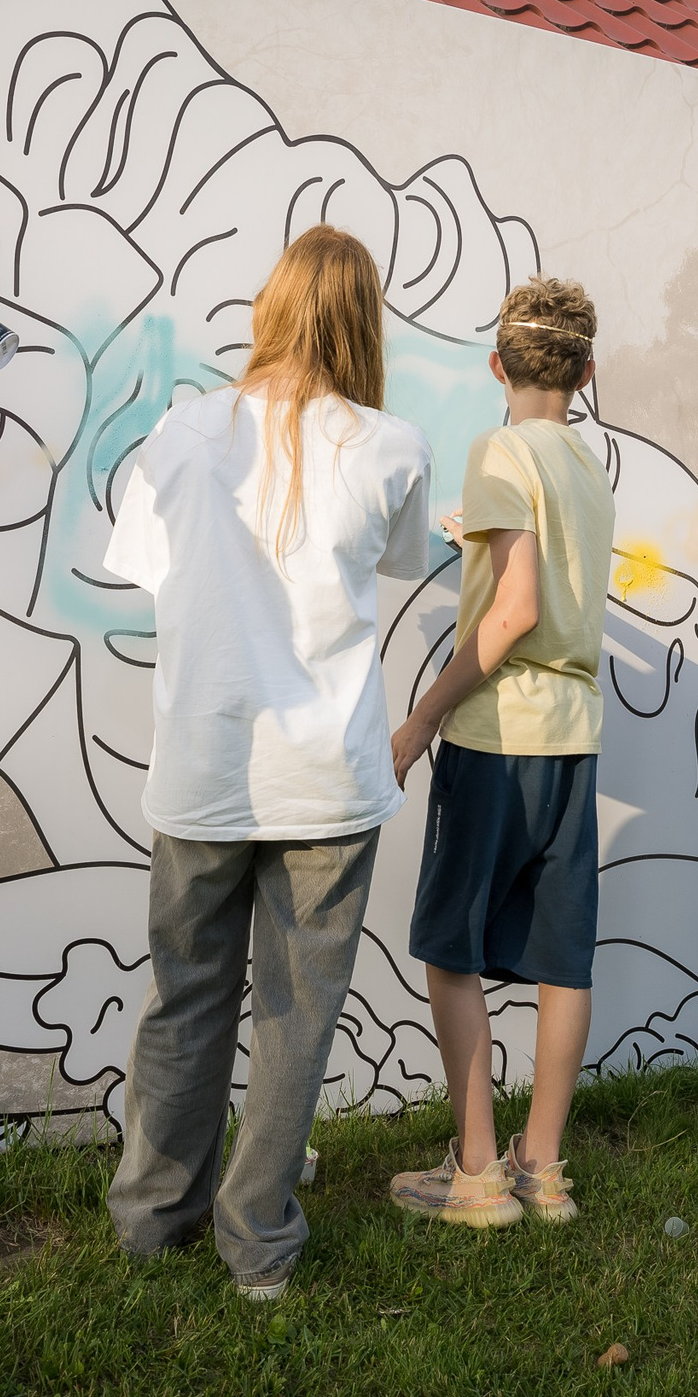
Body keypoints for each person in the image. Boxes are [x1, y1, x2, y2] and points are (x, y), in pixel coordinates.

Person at [101, 225, 435, 1301]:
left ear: (270, 309)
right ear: (361, 320)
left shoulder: (182, 432)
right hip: (326, 783)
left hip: (202, 769)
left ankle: (153, 1219)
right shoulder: (388, 446)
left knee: (181, 999)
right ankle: (257, 1242)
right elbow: (398, 558)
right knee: (294, 1017)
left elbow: (144, 573)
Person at [384, 277, 614, 1229]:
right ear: (587, 373)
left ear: (497, 367)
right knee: (563, 955)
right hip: (574, 735)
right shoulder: (587, 467)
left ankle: (478, 1171)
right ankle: (544, 1169)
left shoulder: (499, 449)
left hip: (497, 736)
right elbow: (540, 579)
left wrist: (423, 716)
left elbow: (513, 609)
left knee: (452, 946)